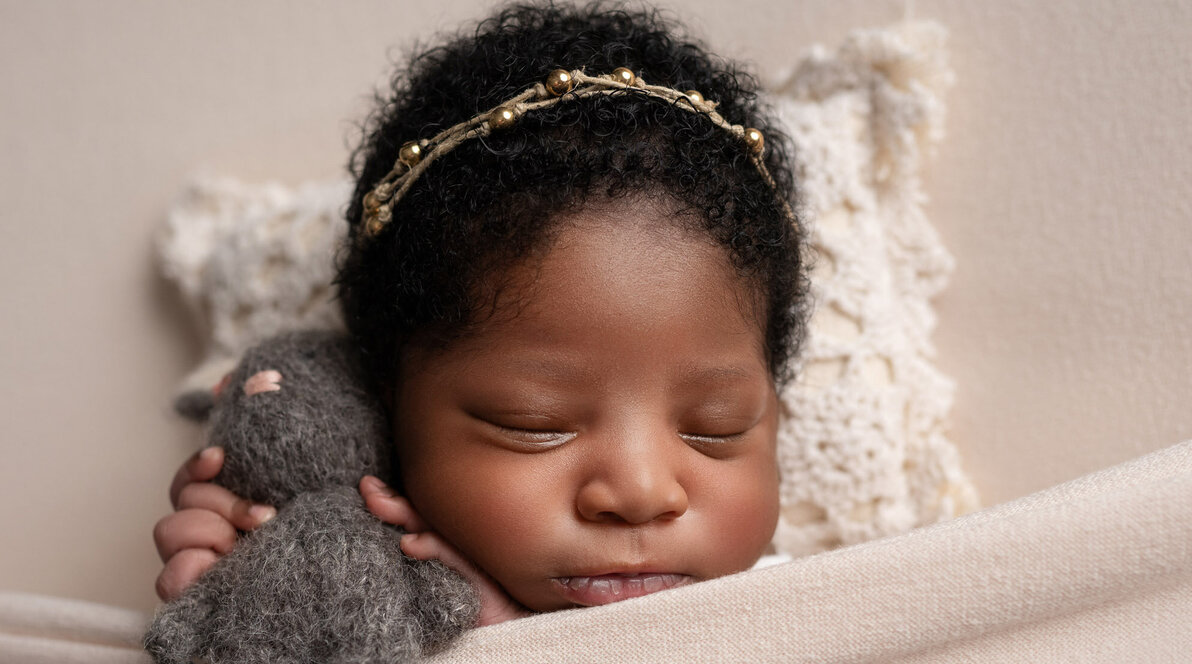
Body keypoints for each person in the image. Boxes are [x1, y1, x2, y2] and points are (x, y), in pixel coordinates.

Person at [153, 0, 810, 627]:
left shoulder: (824, 627)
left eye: (716, 428)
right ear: (385, 413)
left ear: (775, 417)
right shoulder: (365, 617)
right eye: (531, 423)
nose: (641, 491)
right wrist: (260, 592)